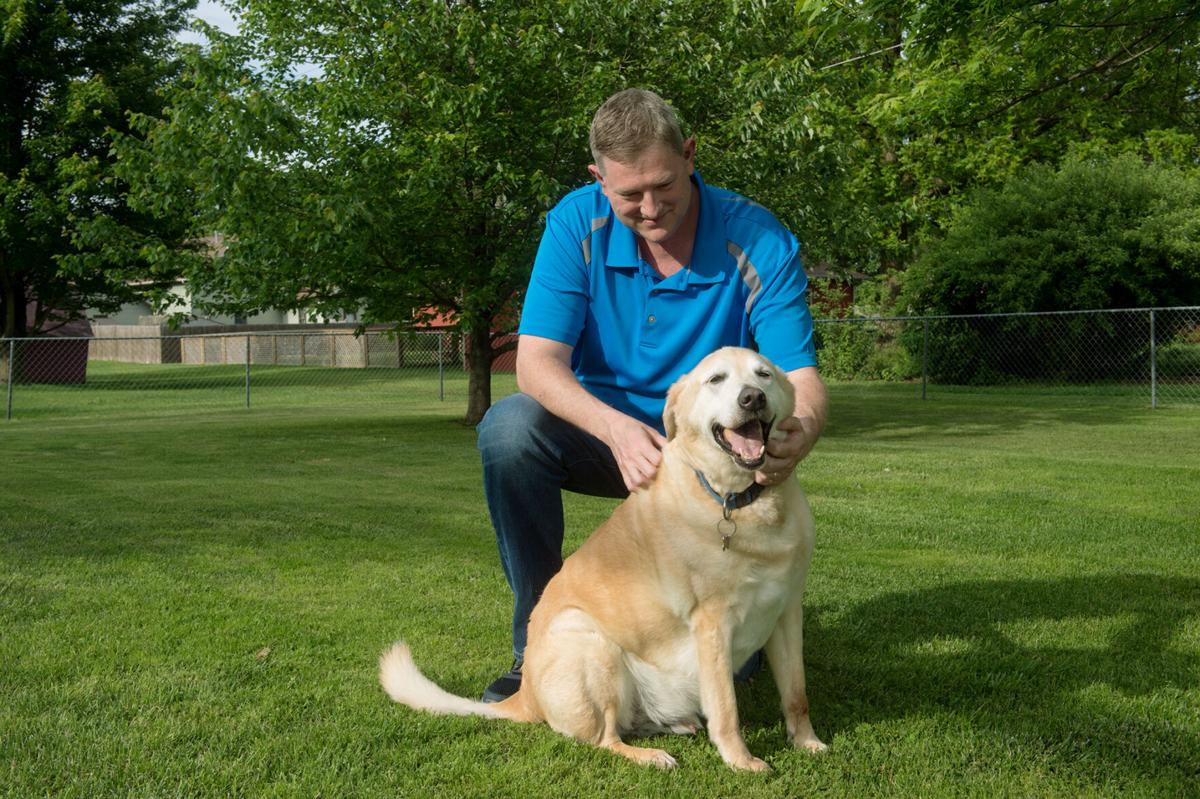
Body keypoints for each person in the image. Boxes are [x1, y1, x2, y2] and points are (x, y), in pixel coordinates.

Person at [475, 88, 827, 702]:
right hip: (604, 437)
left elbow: (800, 377)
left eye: (664, 185)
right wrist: (615, 429)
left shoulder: (758, 238)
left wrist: (803, 430)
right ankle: (537, 648)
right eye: (628, 194)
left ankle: (712, 637)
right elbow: (535, 366)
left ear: (690, 155)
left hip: (709, 452)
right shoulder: (574, 224)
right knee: (509, 431)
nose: (649, 206)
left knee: (730, 673)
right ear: (597, 179)